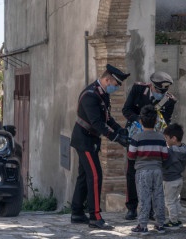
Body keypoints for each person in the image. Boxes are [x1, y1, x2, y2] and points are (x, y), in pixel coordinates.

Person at [70, 64, 131, 230]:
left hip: (90, 139)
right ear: (107, 79)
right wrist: (116, 138)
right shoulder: (91, 95)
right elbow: (97, 123)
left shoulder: (101, 94)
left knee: (84, 175)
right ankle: (95, 217)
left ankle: (76, 212)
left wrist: (120, 130)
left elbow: (107, 118)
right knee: (95, 176)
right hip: (85, 140)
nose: (116, 88)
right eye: (116, 84)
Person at [122, 71, 177, 220]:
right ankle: (132, 208)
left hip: (154, 139)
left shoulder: (169, 101)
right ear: (152, 86)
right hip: (136, 136)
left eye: (163, 91)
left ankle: (152, 210)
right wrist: (138, 120)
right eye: (159, 91)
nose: (161, 94)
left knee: (154, 172)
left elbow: (166, 121)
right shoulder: (138, 90)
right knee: (132, 172)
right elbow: (126, 109)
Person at [128, 104, 168, 235]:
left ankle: (143, 225)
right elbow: (165, 155)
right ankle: (160, 224)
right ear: (156, 121)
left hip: (142, 171)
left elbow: (131, 155)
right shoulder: (161, 138)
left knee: (144, 197)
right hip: (157, 170)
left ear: (140, 121)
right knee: (158, 196)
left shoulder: (137, 138)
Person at [162, 123, 186, 230]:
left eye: (166, 138)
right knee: (176, 199)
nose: (166, 141)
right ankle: (177, 219)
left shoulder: (170, 152)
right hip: (179, 179)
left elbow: (164, 163)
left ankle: (173, 221)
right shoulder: (185, 149)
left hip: (170, 180)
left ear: (173, 138)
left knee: (169, 201)